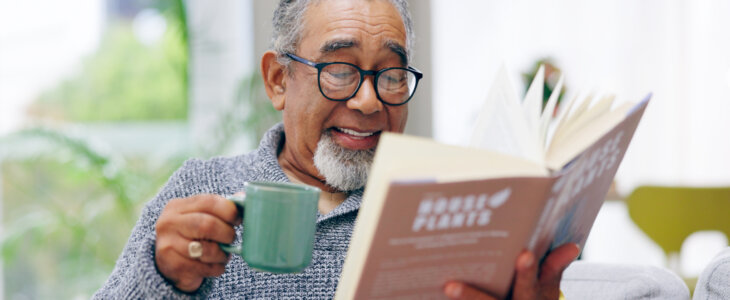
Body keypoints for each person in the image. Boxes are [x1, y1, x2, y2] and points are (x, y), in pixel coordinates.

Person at [94, 0, 579, 298]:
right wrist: (159, 278)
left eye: (390, 75)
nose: (368, 101)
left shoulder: (455, 205)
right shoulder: (201, 189)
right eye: (340, 70)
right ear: (278, 79)